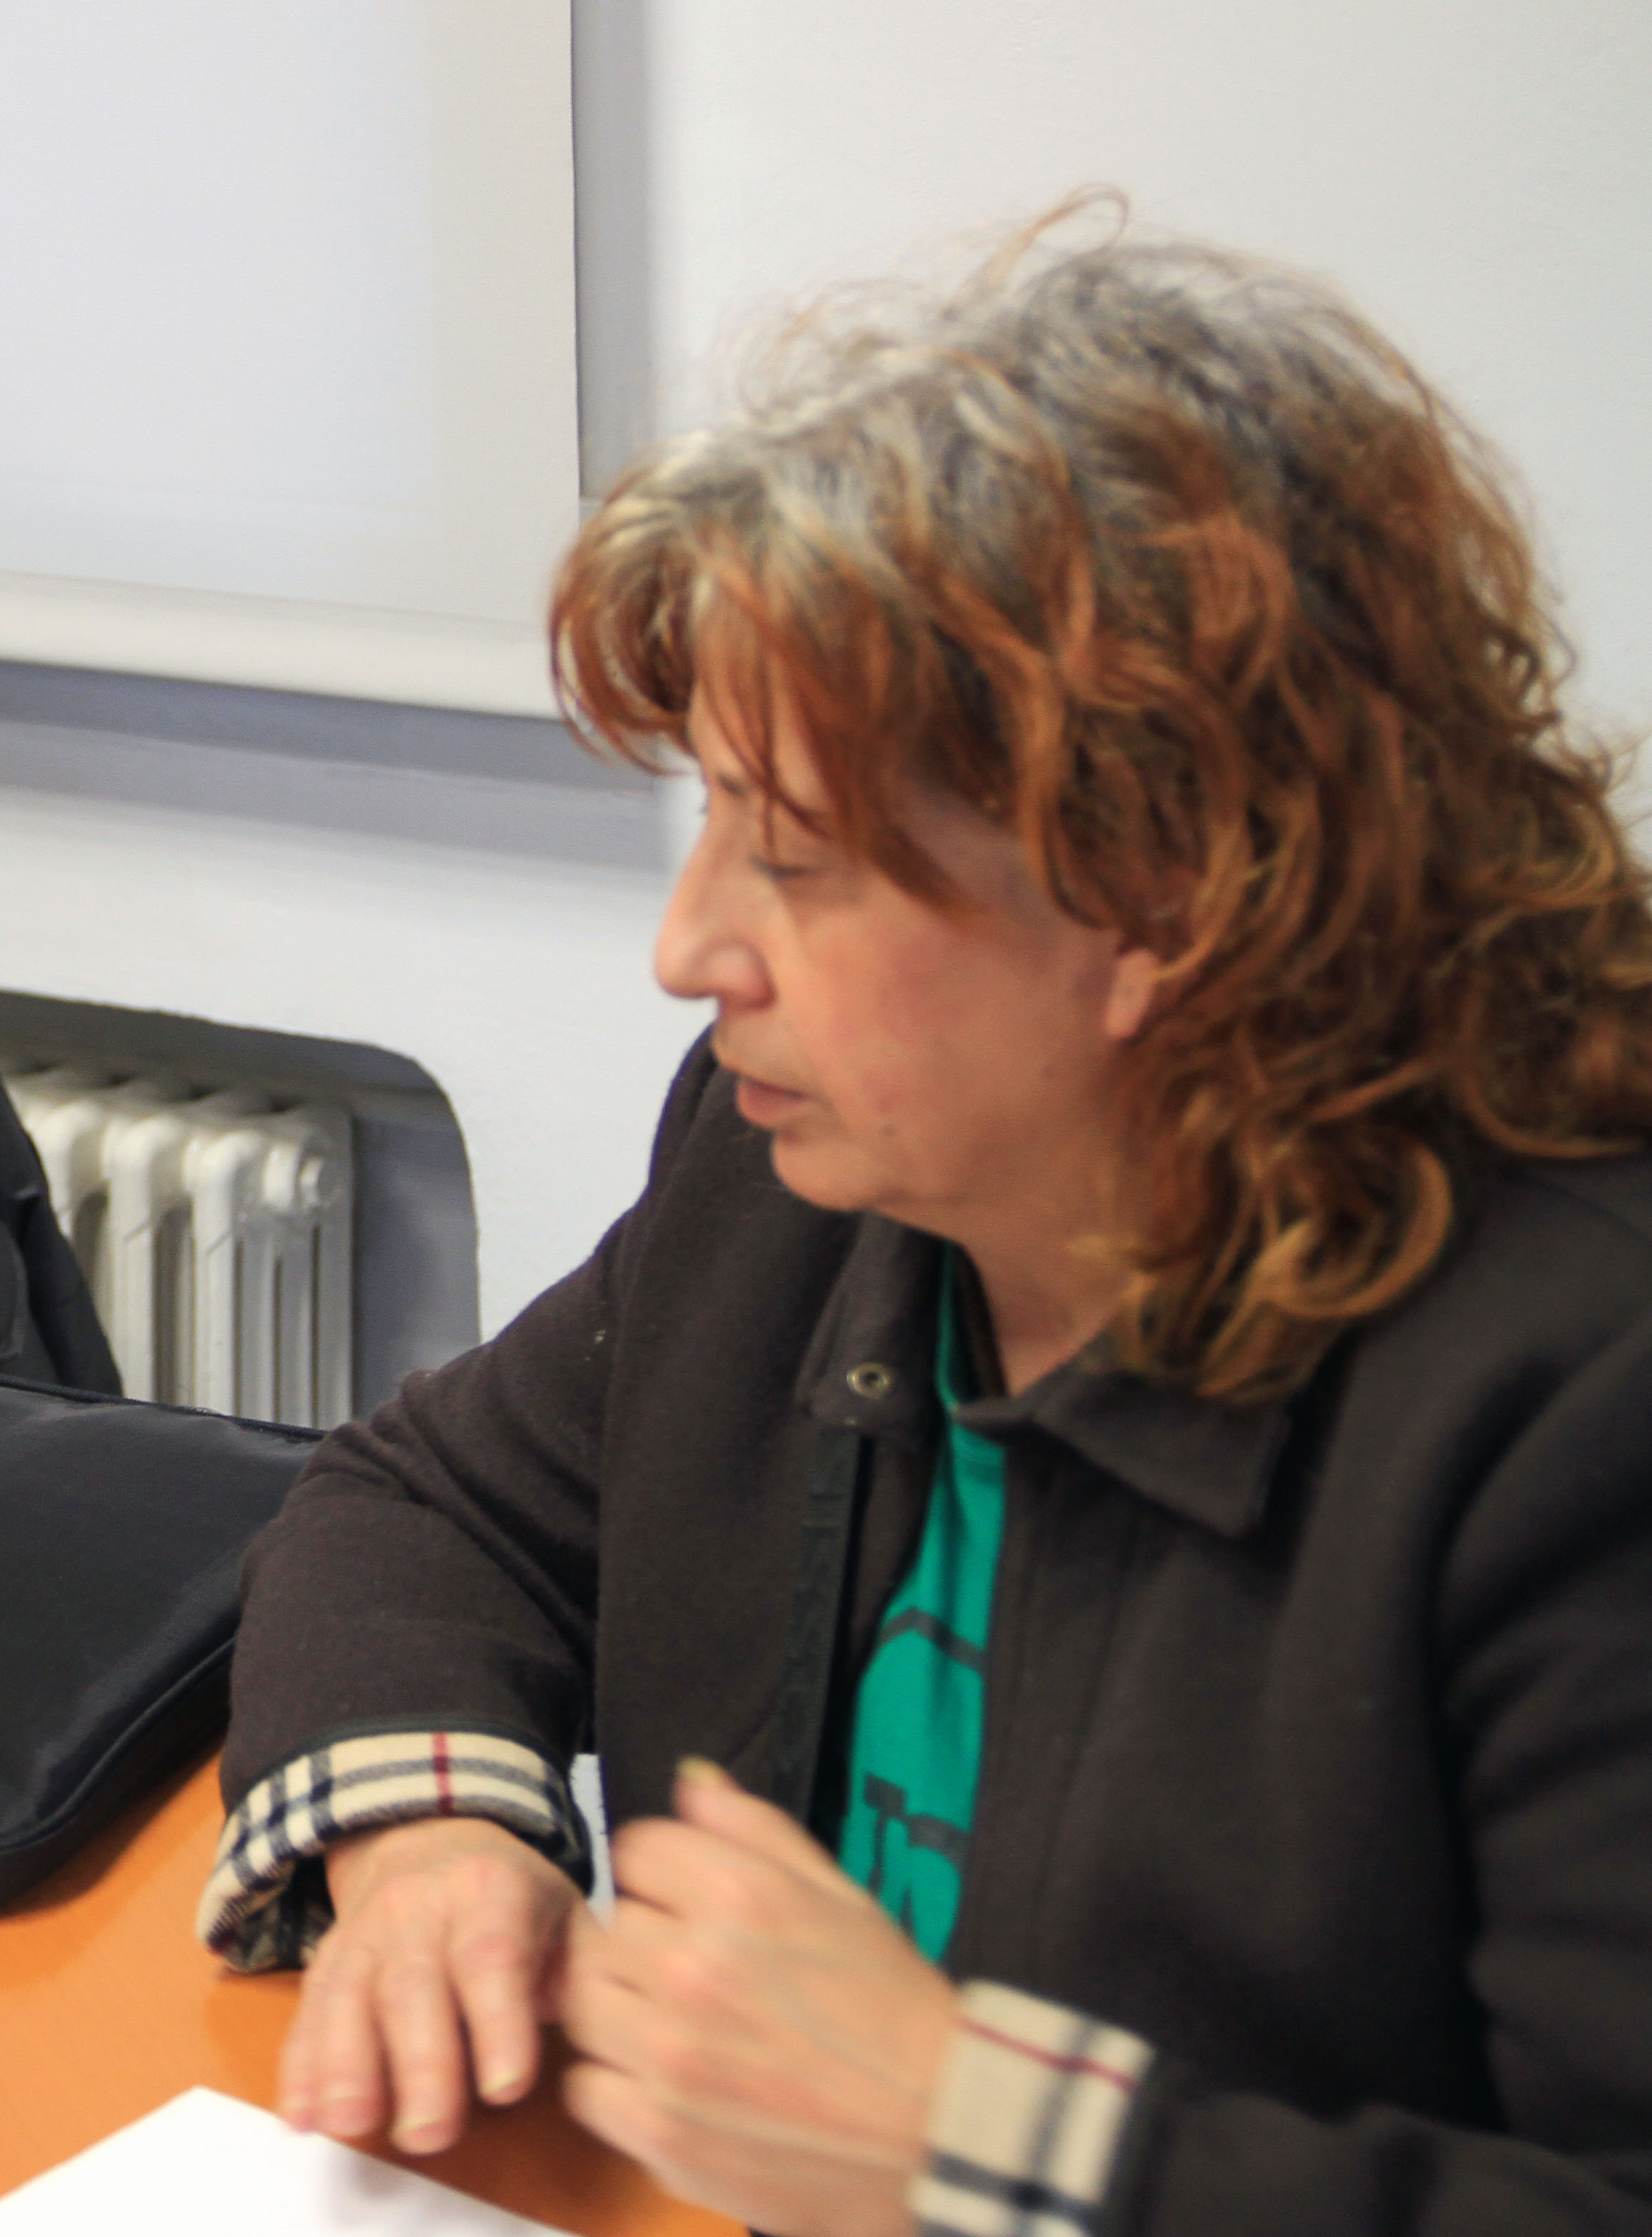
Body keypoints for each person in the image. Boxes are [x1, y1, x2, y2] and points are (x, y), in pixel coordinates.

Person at [202, 225, 1652, 2234]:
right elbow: (427, 1505)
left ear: (1167, 894)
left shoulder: (1579, 1392)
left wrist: (969, 2142)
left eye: (795, 859)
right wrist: (444, 1847)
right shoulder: (805, 1173)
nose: (690, 948)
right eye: (709, 821)